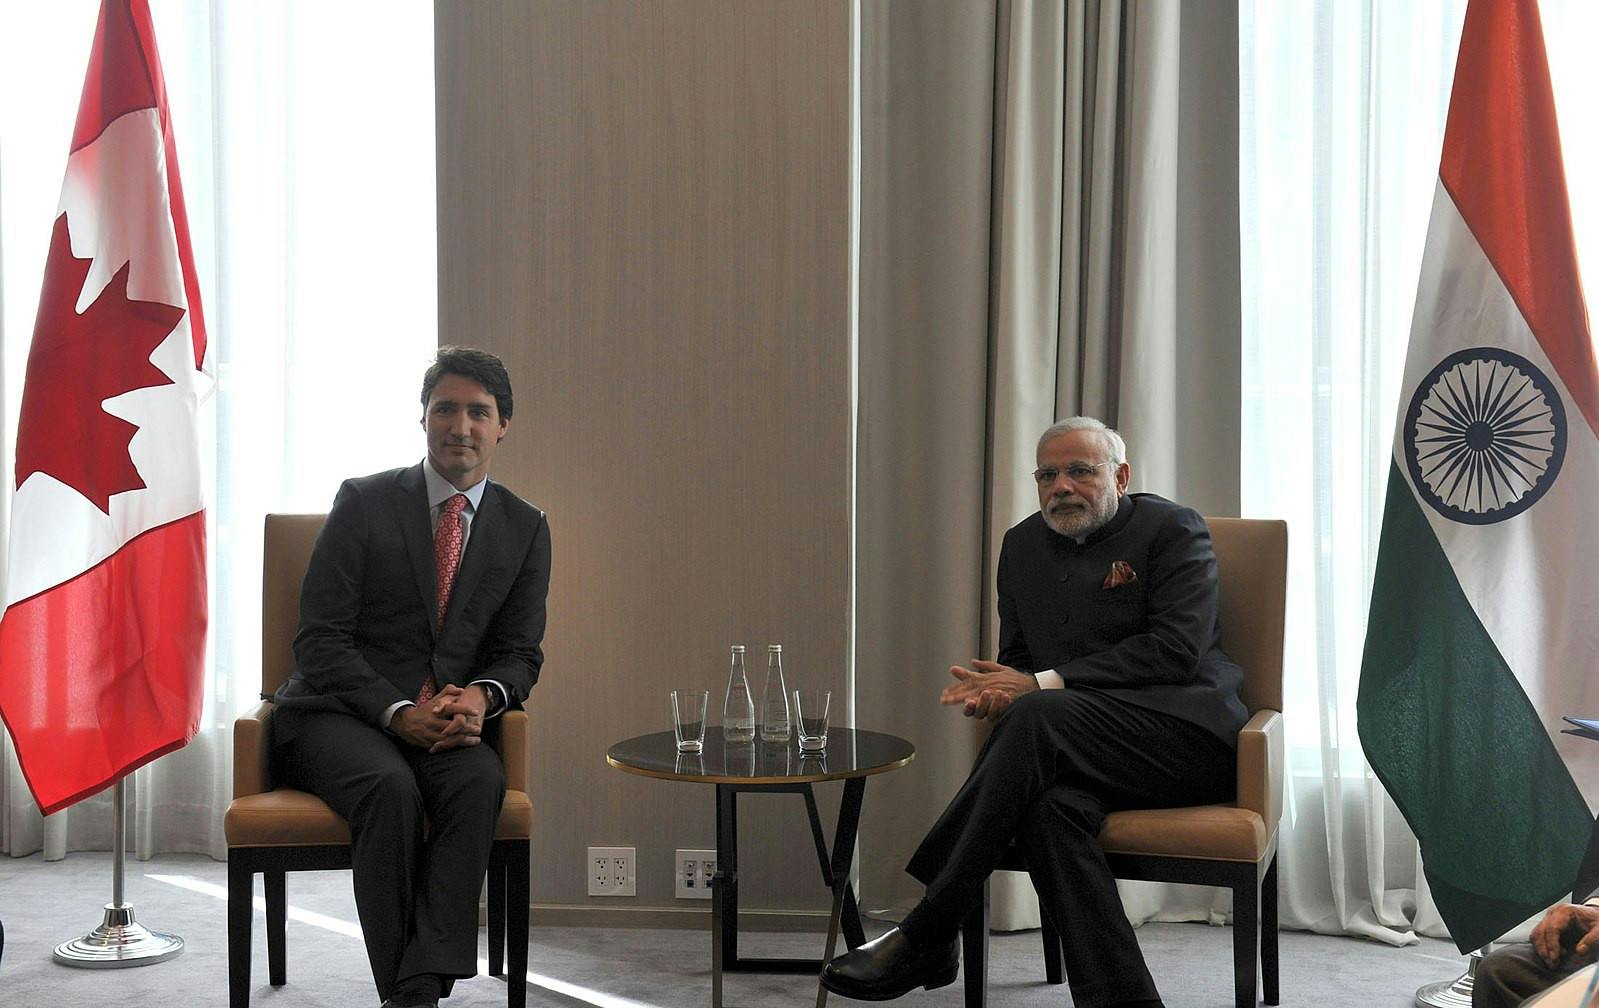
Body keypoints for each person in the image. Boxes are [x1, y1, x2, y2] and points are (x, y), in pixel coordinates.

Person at [822, 416, 1247, 1007]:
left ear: (1120, 476)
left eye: (1080, 471)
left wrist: (1039, 686)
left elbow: (1175, 652)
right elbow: (1016, 661)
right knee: (1049, 811)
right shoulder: (1021, 545)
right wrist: (997, 690)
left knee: (1037, 716)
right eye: (1047, 475)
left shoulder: (1172, 528)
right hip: (1073, 748)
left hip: (1184, 739)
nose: (1061, 487)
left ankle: (932, 926)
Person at [272, 346, 551, 1008]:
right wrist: (397, 710)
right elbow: (320, 638)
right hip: (336, 716)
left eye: (478, 412)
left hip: (448, 723)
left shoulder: (525, 527)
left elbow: (520, 652)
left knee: (482, 779)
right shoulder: (364, 502)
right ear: (422, 419)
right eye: (445, 408)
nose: (461, 425)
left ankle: (418, 980)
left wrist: (483, 695)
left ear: (503, 425)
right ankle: (414, 996)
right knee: (389, 790)